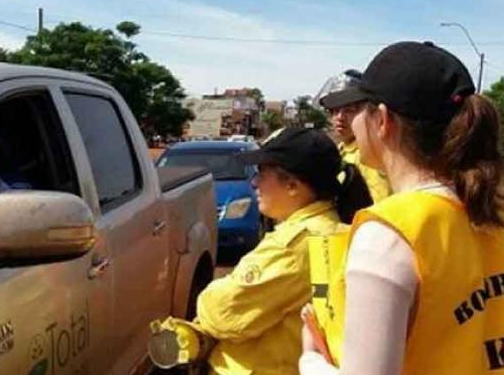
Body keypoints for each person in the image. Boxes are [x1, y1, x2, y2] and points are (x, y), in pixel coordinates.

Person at [299, 41, 504, 374]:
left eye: (357, 110)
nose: (350, 124)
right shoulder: (491, 209)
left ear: (382, 120)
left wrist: (311, 361)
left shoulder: (389, 233)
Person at [148, 128, 369, 375]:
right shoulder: (327, 228)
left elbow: (222, 312)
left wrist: (211, 295)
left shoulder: (294, 245)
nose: (254, 182)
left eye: (262, 173)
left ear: (293, 185)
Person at [318, 70, 391, 203]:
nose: (340, 117)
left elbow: (380, 203)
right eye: (335, 111)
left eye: (349, 110)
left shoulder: (367, 153)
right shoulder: (342, 149)